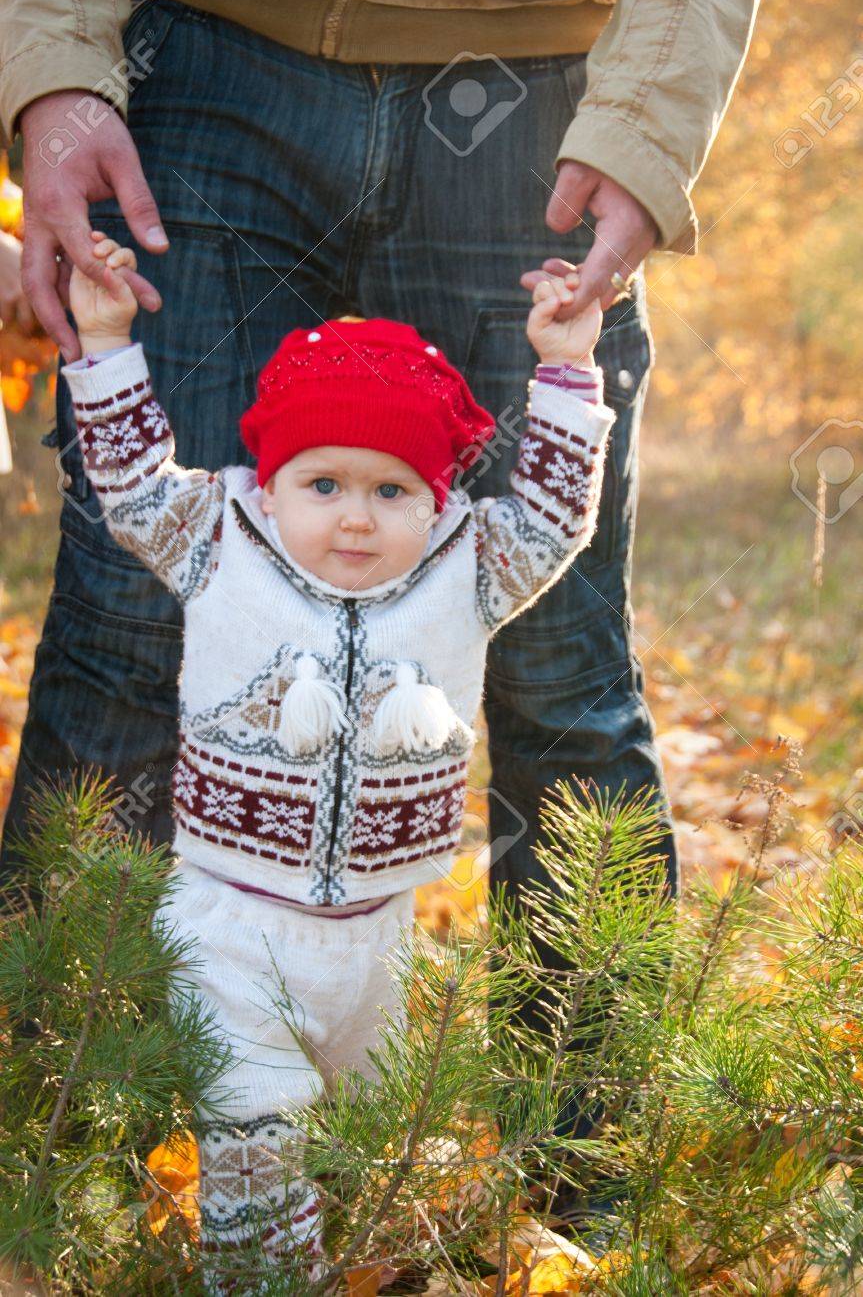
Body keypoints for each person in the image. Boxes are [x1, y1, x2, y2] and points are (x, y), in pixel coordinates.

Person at [0, 0, 758, 1206]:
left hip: (539, 104)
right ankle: (49, 1161)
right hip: (199, 72)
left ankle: (579, 1189)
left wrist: (644, 128)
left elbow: (540, 528)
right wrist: (48, 71)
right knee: (121, 632)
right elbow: (148, 493)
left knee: (561, 665)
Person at [60, 228, 613, 1286]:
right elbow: (131, 487)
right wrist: (104, 339)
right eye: (324, 484)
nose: (355, 517)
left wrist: (567, 367)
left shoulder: (470, 562)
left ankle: (365, 1258)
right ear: (270, 483)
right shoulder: (217, 533)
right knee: (253, 1126)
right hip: (233, 917)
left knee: (368, 1140)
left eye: (391, 489)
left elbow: (549, 517)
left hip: (377, 932)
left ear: (439, 497)